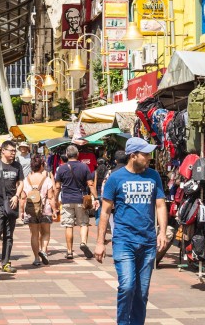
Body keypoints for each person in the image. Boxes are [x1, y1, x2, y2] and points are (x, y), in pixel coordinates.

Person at [95, 137, 167, 325]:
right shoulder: (115, 178)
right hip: (124, 241)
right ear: (133, 155)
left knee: (142, 292)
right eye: (145, 154)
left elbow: (160, 205)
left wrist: (162, 232)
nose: (149, 158)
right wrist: (100, 242)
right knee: (127, 286)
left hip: (148, 242)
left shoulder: (154, 176)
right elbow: (105, 211)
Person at [0, 139, 24, 274]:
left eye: (14, 151)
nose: (13, 153)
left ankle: (5, 263)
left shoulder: (17, 166)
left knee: (8, 234)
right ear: (3, 151)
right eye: (11, 150)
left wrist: (16, 196)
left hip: (11, 204)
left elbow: (20, 183)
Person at [54, 145, 98, 260]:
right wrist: (96, 197)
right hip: (81, 200)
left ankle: (69, 252)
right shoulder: (84, 167)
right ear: (77, 155)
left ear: (67, 155)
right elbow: (90, 184)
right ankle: (83, 242)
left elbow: (58, 186)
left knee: (68, 226)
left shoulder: (61, 168)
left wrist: (54, 199)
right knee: (83, 223)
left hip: (67, 200)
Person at [21, 154, 55, 266]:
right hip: (45, 210)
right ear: (41, 165)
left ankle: (36, 258)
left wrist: (21, 211)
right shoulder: (47, 179)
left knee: (34, 234)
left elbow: (23, 197)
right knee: (46, 232)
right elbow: (50, 197)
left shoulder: (26, 180)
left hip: (31, 211)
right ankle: (43, 250)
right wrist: (55, 210)